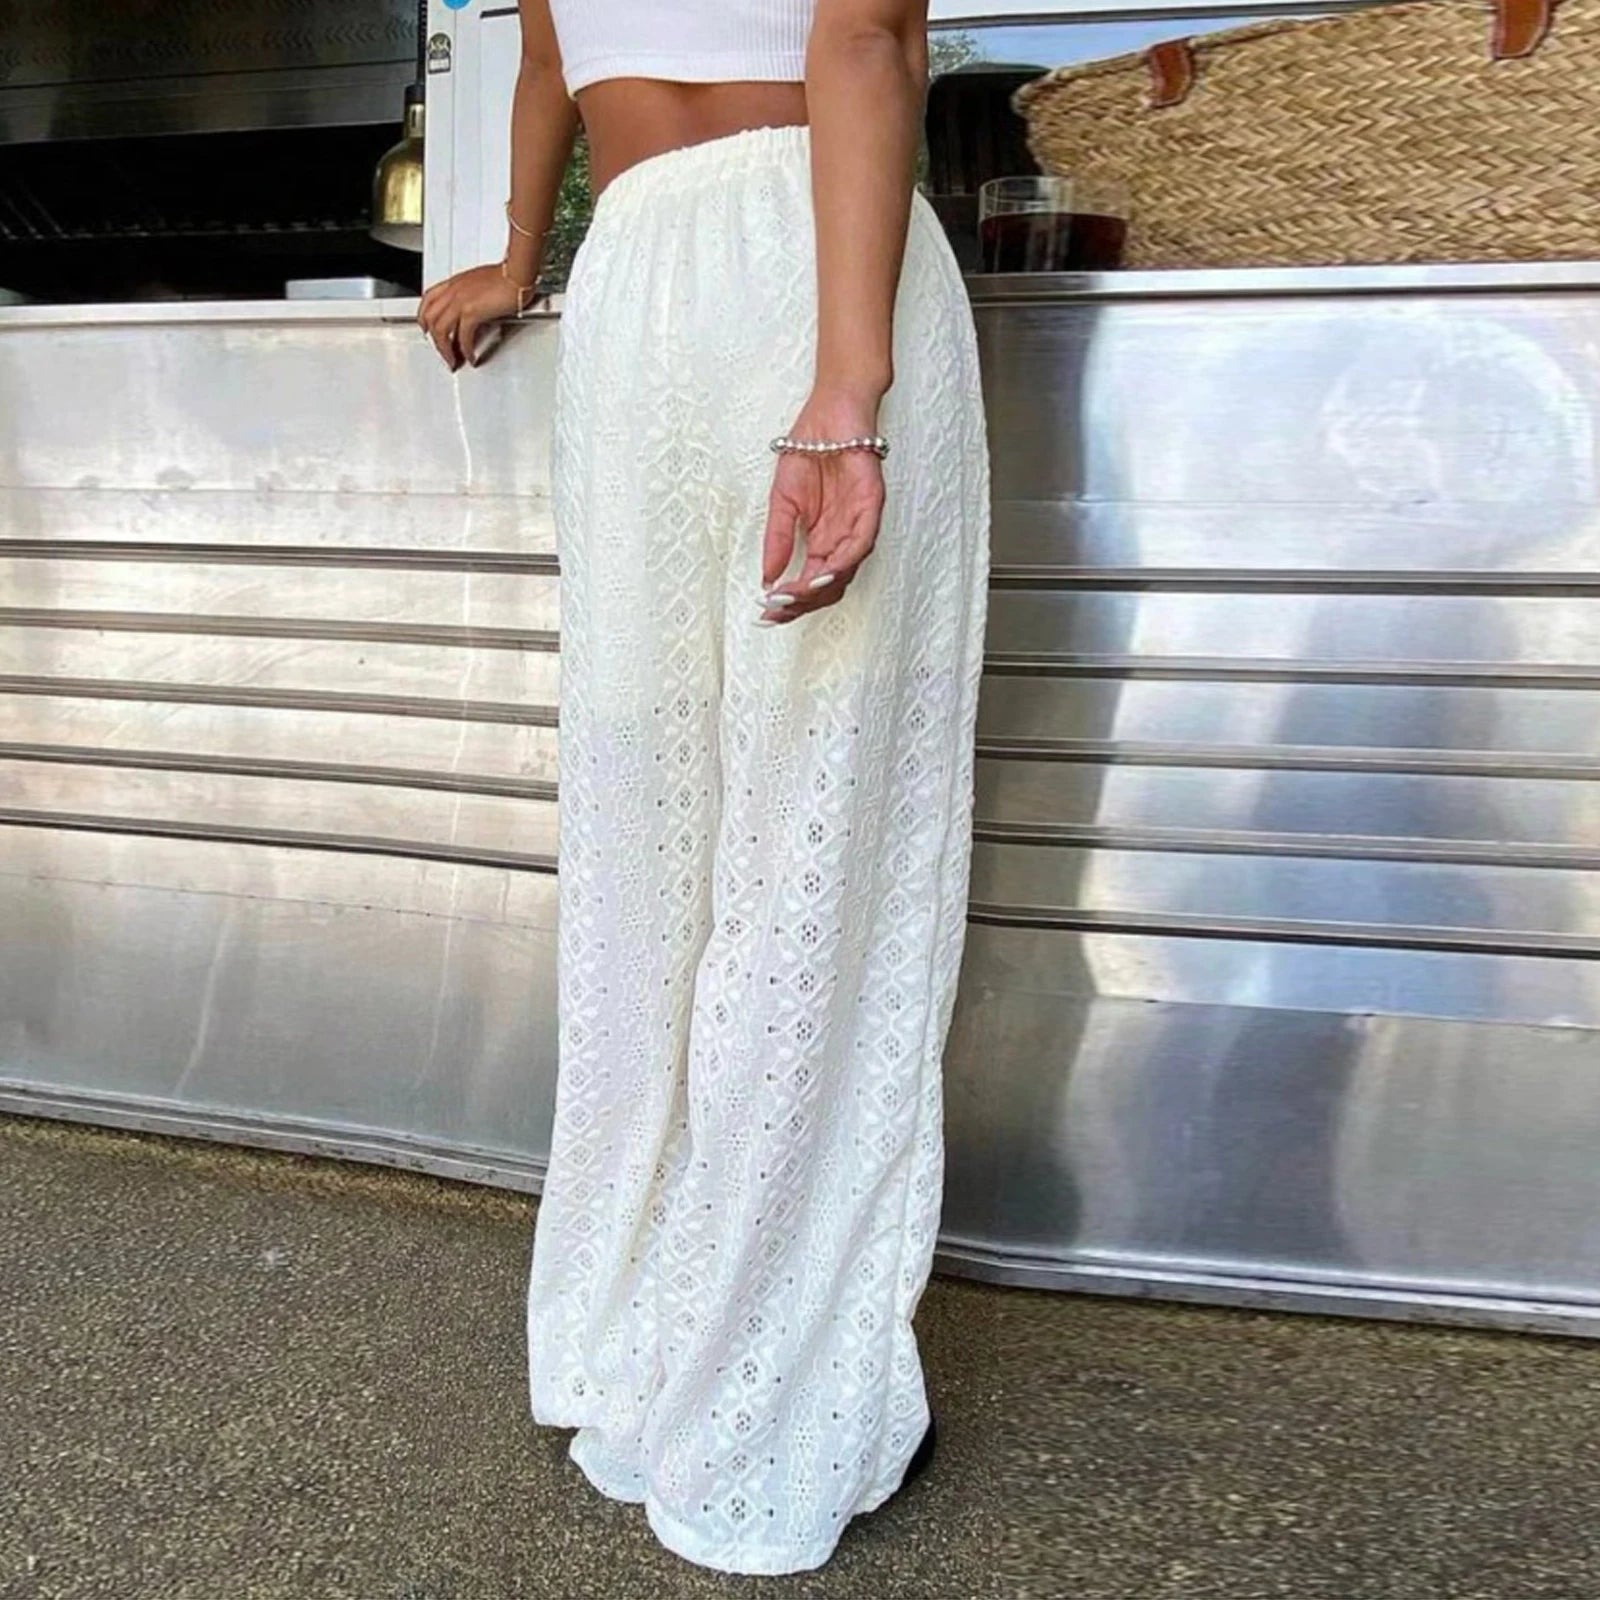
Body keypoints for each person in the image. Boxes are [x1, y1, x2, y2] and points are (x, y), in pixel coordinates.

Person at [417, 0, 989, 1575]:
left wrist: (522, 252)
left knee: (647, 824)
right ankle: (761, 1367)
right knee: (817, 830)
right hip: (804, 271)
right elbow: (865, 36)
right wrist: (849, 392)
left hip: (644, 279)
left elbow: (547, 53)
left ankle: (634, 1332)